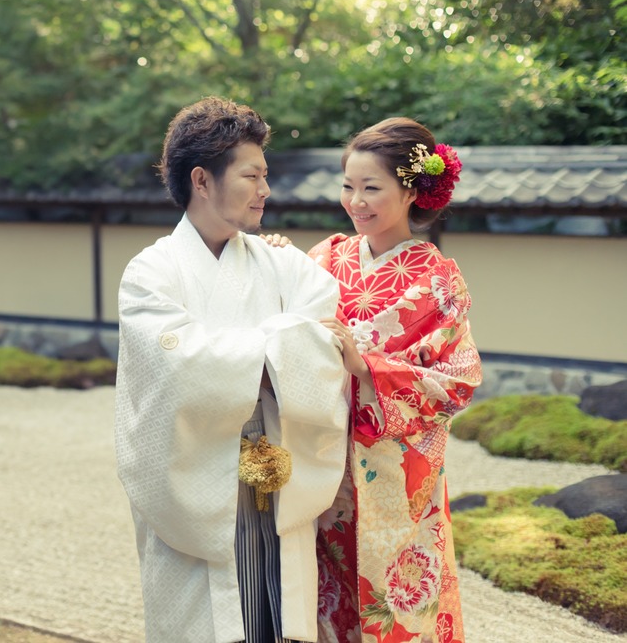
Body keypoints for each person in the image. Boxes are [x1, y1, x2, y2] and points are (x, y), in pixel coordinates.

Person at [114, 96, 351, 643]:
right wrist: (274, 352)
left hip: (278, 460)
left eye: (265, 175)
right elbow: (175, 368)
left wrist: (237, 355)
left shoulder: (285, 263)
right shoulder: (151, 273)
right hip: (196, 472)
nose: (266, 190)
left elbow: (324, 340)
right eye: (252, 175)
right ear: (202, 179)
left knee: (278, 615)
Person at [308, 118, 482, 643]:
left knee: (398, 597)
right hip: (324, 462)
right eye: (348, 186)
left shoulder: (437, 279)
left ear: (411, 191)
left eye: (371, 188)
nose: (355, 201)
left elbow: (458, 379)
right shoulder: (326, 257)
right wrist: (268, 257)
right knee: (321, 593)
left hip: (395, 467)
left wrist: (368, 366)